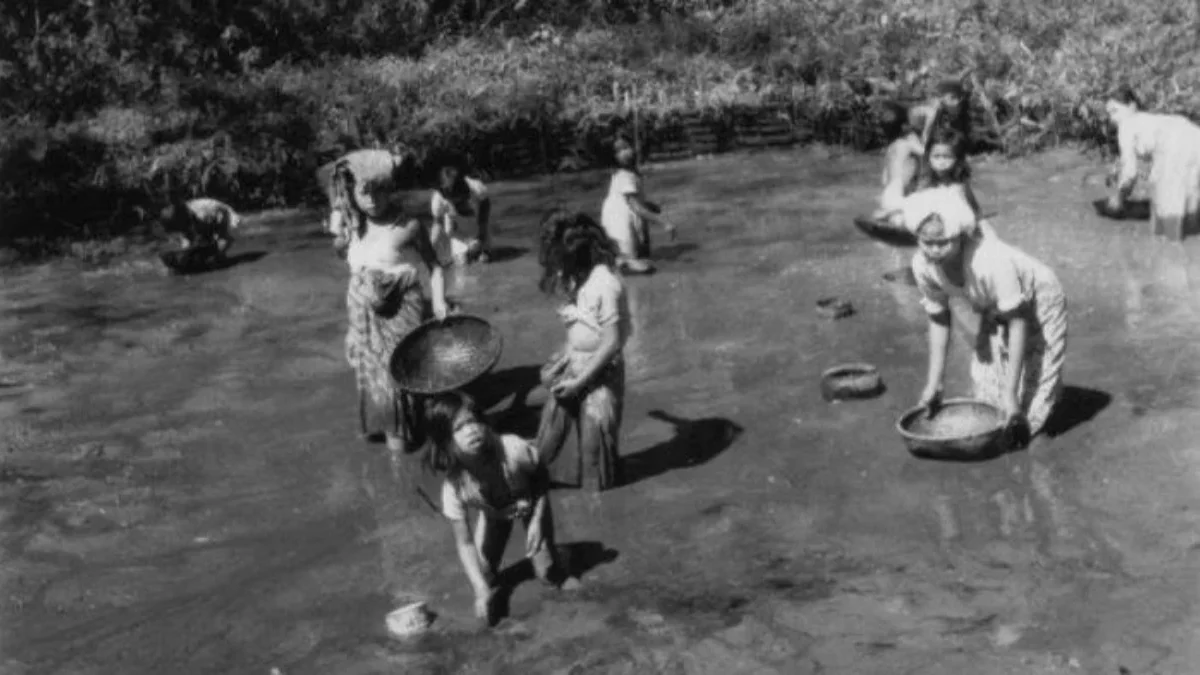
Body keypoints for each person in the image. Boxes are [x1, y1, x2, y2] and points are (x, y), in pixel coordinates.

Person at [905, 186, 1067, 444]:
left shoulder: (990, 260)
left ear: (960, 236)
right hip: (991, 304)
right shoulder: (922, 265)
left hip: (1038, 298)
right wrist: (935, 382)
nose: (934, 250)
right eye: (927, 242)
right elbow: (938, 318)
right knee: (988, 397)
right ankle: (1014, 396)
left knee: (1029, 406)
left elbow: (1017, 321)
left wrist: (1012, 396)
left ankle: (1042, 404)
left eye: (943, 242)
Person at [424, 391, 580, 626]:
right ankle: (537, 558)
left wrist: (537, 519)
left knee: (548, 575)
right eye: (459, 428)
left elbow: (541, 476)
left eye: (473, 421)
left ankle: (558, 562)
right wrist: (480, 590)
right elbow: (464, 543)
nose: (471, 430)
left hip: (530, 502)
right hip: (494, 514)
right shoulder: (453, 487)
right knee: (485, 576)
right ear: (446, 441)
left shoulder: (511, 448)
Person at [332, 149, 450, 455]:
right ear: (353, 194)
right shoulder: (352, 230)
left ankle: (412, 452)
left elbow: (435, 268)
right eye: (364, 192)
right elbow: (355, 283)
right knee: (375, 389)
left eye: (380, 190)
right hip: (365, 325)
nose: (372, 199)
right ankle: (402, 444)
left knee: (402, 382)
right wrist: (351, 331)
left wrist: (438, 304)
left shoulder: (408, 226)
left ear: (390, 189)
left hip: (401, 316)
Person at [535, 209, 630, 492]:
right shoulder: (576, 278)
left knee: (594, 455)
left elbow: (612, 342)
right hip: (575, 364)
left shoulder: (605, 283)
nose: (558, 270)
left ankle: (596, 512)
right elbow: (578, 331)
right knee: (545, 445)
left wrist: (581, 381)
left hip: (602, 371)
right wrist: (561, 358)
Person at [1105, 85, 1200, 240]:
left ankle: (1171, 250)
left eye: (1115, 111)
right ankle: (1191, 241)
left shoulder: (1126, 125)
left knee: (1164, 217)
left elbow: (1130, 172)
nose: (1111, 118)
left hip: (1175, 145)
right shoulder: (1148, 118)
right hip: (1194, 134)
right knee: (1191, 199)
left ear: (1131, 106)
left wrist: (1119, 199)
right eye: (1108, 113)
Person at [600, 137, 677, 275]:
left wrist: (649, 205)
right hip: (618, 220)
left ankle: (625, 258)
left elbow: (633, 200)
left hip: (621, 214)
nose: (625, 152)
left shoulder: (629, 173)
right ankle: (623, 260)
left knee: (642, 256)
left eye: (626, 147)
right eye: (619, 150)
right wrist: (663, 222)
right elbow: (637, 208)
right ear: (613, 156)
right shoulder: (624, 176)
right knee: (638, 262)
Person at [427, 152, 493, 265]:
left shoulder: (477, 188)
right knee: (462, 263)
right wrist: (429, 252)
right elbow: (440, 227)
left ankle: (482, 249)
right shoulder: (438, 198)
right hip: (458, 234)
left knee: (484, 260)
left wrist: (481, 238)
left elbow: (485, 212)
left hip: (477, 228)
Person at [874, 101, 925, 224]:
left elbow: (885, 177)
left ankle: (888, 215)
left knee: (894, 215)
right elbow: (926, 153)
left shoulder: (891, 147)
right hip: (899, 194)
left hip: (888, 193)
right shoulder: (908, 142)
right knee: (901, 219)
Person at [159, 197, 241, 255]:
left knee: (222, 241)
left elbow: (218, 230)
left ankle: (218, 256)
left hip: (227, 216)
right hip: (205, 219)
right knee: (190, 245)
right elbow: (187, 236)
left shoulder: (203, 213)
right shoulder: (182, 213)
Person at [909, 78, 972, 152]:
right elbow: (928, 129)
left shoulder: (963, 105)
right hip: (928, 128)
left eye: (955, 98)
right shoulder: (936, 109)